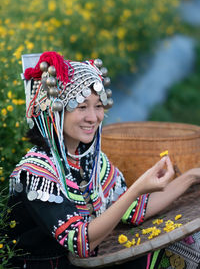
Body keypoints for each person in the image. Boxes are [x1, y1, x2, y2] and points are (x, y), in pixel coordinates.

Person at [8, 51, 200, 269]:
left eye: (98, 106)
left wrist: (192, 176)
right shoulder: (36, 172)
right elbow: (81, 243)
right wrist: (136, 188)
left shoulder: (91, 161)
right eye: (81, 107)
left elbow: (136, 210)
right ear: (54, 111)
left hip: (90, 262)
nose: (93, 117)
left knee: (188, 245)